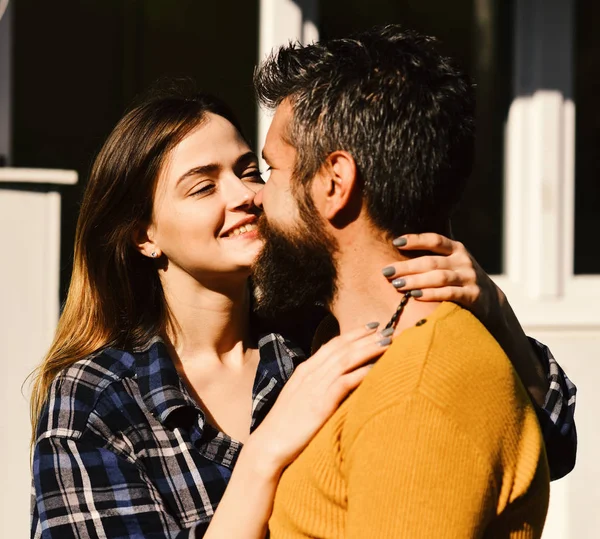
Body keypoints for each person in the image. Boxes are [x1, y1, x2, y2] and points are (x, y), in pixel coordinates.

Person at [29, 81, 574, 539]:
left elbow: (546, 441)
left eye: (248, 170)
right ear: (144, 236)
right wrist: (263, 454)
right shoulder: (97, 402)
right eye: (202, 186)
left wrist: (493, 307)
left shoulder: (312, 336)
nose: (245, 195)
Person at [252, 26, 567, 538]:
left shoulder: (420, 395)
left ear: (335, 183)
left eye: (272, 170)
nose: (257, 199)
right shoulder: (337, 343)